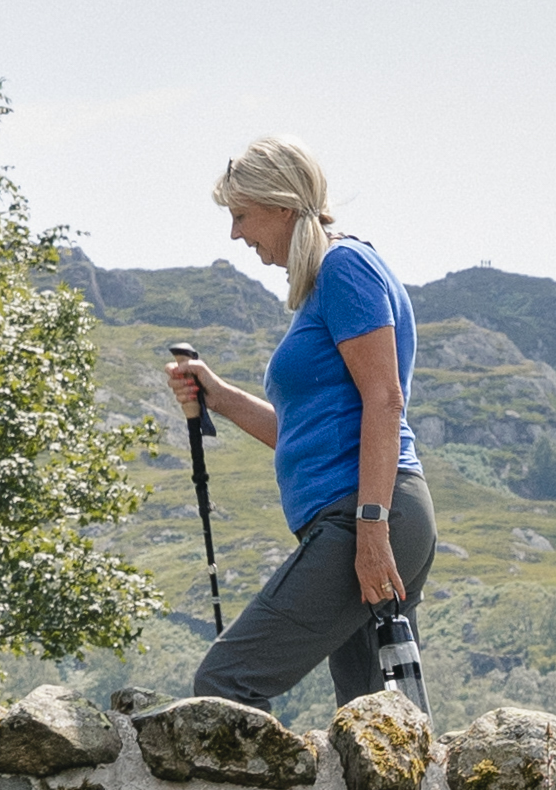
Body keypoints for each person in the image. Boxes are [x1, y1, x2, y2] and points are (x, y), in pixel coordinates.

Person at [160, 136, 433, 712]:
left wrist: (371, 530)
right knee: (371, 723)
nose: (236, 233)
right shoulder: (327, 281)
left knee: (224, 683)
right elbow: (307, 435)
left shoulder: (345, 267)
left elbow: (385, 400)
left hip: (366, 514)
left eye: (241, 215)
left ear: (281, 205)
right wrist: (222, 397)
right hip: (364, 515)